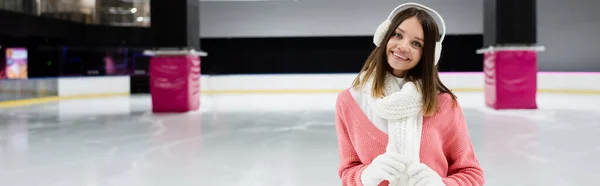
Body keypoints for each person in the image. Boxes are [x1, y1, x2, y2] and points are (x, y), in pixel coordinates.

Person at [334, 3, 484, 186]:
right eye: (397, 35)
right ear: (383, 36)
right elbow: (348, 172)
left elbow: (471, 174)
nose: (403, 46)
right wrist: (365, 176)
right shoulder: (350, 101)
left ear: (428, 54)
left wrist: (442, 185)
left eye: (416, 43)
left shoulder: (443, 103)